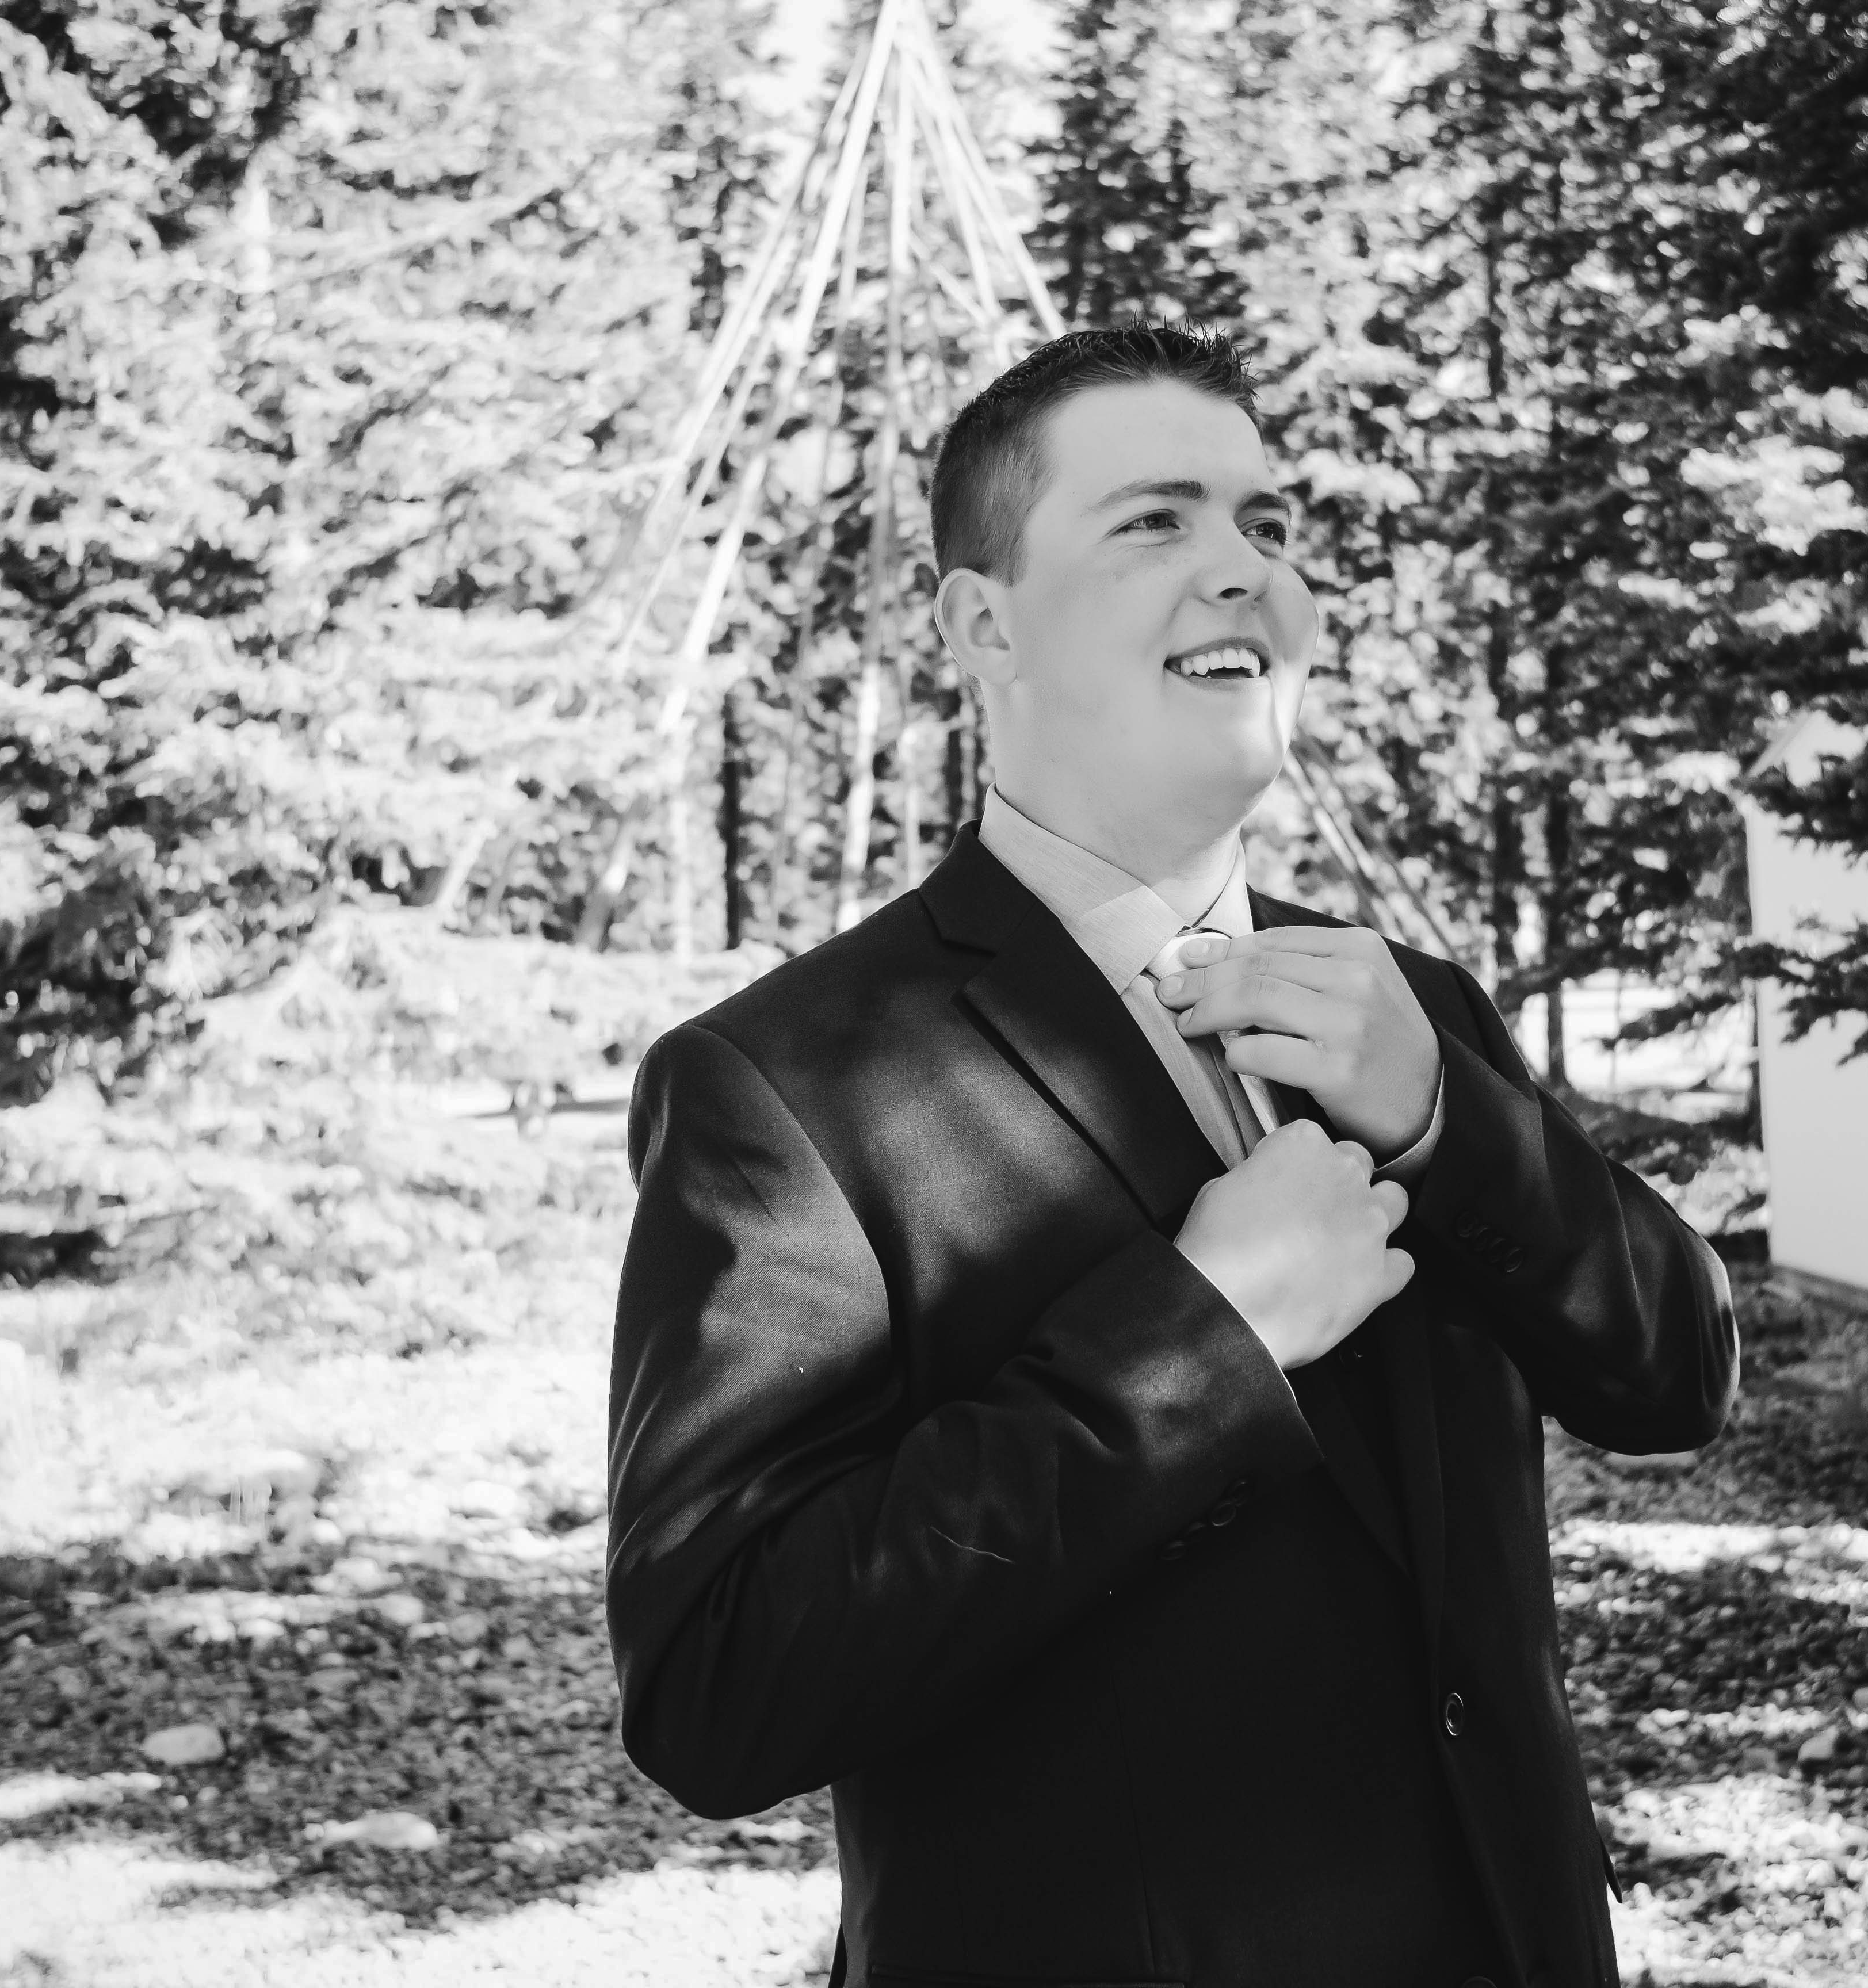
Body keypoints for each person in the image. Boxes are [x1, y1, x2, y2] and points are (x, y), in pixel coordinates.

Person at [606, 323, 1739, 1988]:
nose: (1244, 570)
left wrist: (1454, 1120)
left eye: (1267, 524)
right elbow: (719, 1685)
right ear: (984, 628)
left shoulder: (1414, 1010)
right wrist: (1200, 1342)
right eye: (1155, 522)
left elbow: (1680, 1375)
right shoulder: (782, 1086)